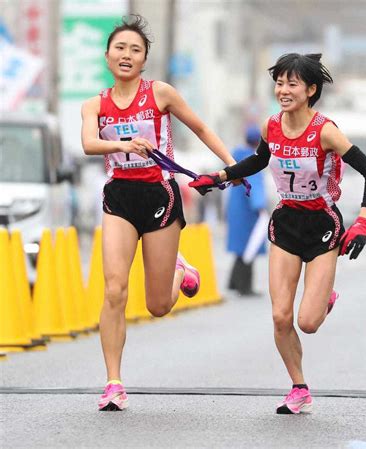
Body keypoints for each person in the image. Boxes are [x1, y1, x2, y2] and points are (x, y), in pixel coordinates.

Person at [189, 53, 366, 414]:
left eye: (292, 83)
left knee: (307, 322)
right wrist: (218, 177)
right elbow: (259, 161)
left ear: (311, 90)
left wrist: (363, 221)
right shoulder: (271, 126)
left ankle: (324, 297)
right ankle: (299, 387)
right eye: (279, 82)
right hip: (286, 222)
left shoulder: (325, 130)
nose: (283, 90)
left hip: (323, 226)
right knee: (280, 316)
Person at [80, 15, 236, 411]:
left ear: (145, 59)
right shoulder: (94, 104)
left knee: (158, 306)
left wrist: (231, 167)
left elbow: (200, 128)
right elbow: (87, 143)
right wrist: (124, 146)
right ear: (107, 56)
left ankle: (182, 270)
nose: (126, 55)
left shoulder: (160, 94)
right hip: (119, 197)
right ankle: (113, 382)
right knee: (114, 289)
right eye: (120, 48)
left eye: (135, 49)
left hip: (160, 197)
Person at [227, 124, 268, 296]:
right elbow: (254, 184)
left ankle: (234, 282)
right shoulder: (252, 158)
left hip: (234, 209)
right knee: (249, 248)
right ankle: (245, 286)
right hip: (248, 212)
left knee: (240, 249)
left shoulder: (235, 156)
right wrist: (260, 207)